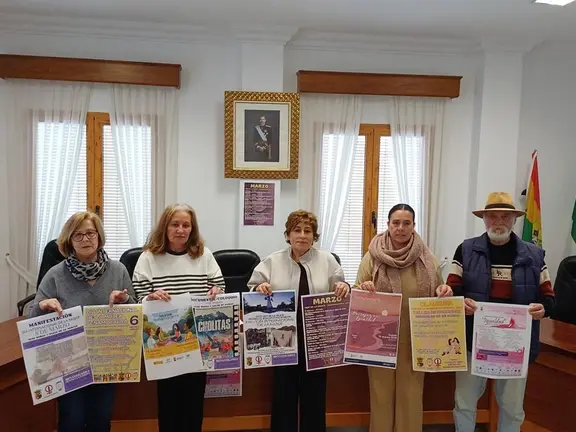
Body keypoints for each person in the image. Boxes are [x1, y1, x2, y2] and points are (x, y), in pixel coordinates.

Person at [447, 192, 555, 431]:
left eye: (505, 216)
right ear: (484, 219)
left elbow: (548, 296)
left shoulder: (534, 255)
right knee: (464, 402)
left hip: (515, 344)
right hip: (472, 341)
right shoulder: (465, 250)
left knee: (512, 407)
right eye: (492, 216)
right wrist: (460, 302)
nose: (498, 222)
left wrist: (543, 308)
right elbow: (453, 288)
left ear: (514, 220)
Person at [29, 211, 135, 432]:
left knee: (101, 419)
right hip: (69, 364)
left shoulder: (118, 271)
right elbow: (33, 316)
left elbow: (135, 312)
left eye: (90, 233)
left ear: (99, 236)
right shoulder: (55, 274)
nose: (85, 239)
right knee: (72, 420)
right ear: (69, 240)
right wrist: (44, 306)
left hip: (107, 360)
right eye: (78, 235)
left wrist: (125, 300)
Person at [248, 210, 349, 432]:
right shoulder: (273, 260)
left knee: (315, 393)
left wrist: (343, 286)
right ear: (288, 235)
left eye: (307, 231)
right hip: (282, 335)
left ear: (314, 236)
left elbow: (341, 287)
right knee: (283, 392)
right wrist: (259, 287)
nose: (302, 235)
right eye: (297, 230)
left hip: (318, 336)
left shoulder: (327, 260)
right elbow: (252, 288)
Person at [355, 203, 451, 432]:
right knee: (380, 393)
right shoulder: (372, 256)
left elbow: (439, 291)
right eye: (396, 223)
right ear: (388, 225)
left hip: (415, 337)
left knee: (411, 393)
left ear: (413, 225)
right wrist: (365, 288)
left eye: (406, 223)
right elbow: (357, 291)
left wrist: (444, 291)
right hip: (379, 337)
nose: (400, 228)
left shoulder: (427, 258)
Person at [132, 203, 225, 432]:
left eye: (186, 225)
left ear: (192, 228)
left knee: (194, 405)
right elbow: (137, 297)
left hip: (197, 342)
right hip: (165, 345)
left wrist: (216, 291)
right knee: (169, 404)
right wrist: (150, 297)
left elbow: (219, 286)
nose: (181, 230)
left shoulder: (203, 255)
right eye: (175, 224)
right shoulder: (148, 257)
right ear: (165, 227)